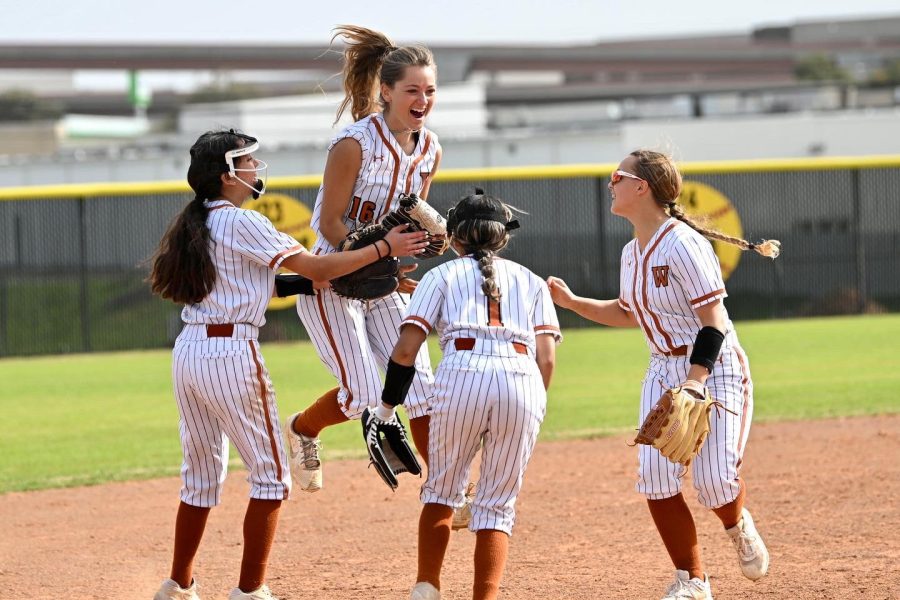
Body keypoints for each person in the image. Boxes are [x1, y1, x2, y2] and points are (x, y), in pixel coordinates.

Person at [148, 129, 427, 600]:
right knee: (271, 478)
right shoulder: (242, 221)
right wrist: (384, 250)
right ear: (227, 174)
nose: (257, 168)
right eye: (249, 161)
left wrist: (347, 280)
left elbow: (273, 285)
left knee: (199, 477)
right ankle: (251, 591)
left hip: (190, 352)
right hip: (231, 355)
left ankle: (178, 585)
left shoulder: (198, 222)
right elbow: (316, 268)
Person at [547, 149, 778, 600]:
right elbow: (627, 311)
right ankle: (693, 581)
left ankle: (736, 524)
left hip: (714, 368)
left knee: (714, 485)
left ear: (642, 187)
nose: (609, 183)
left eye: (617, 175)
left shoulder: (684, 245)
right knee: (654, 477)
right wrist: (574, 303)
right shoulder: (632, 252)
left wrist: (694, 381)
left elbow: (712, 323)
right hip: (662, 369)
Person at [376, 191, 560, 600]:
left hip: (462, 375)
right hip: (521, 379)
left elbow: (405, 350)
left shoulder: (440, 276)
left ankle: (427, 588)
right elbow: (546, 358)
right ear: (503, 238)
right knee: (496, 504)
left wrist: (388, 407)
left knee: (442, 491)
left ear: (455, 239)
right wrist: (533, 403)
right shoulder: (531, 280)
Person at [284, 25, 443, 496]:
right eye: (412, 89)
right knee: (362, 397)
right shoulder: (353, 143)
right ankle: (303, 428)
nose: (423, 98)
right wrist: (379, 254)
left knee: (422, 391)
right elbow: (331, 224)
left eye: (430, 90)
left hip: (383, 282)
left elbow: (413, 217)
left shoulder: (430, 148)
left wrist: (430, 242)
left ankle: (447, 488)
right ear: (386, 91)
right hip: (333, 282)